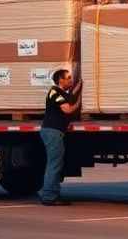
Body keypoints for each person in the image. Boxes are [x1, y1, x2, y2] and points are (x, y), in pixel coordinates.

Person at [39, 69, 82, 206]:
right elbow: (67, 109)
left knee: (55, 164)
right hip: (52, 132)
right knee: (54, 165)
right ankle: (49, 196)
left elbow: (70, 95)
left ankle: (50, 193)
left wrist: (80, 85)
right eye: (68, 78)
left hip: (54, 132)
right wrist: (79, 103)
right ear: (60, 80)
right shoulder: (54, 92)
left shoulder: (61, 93)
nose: (71, 80)